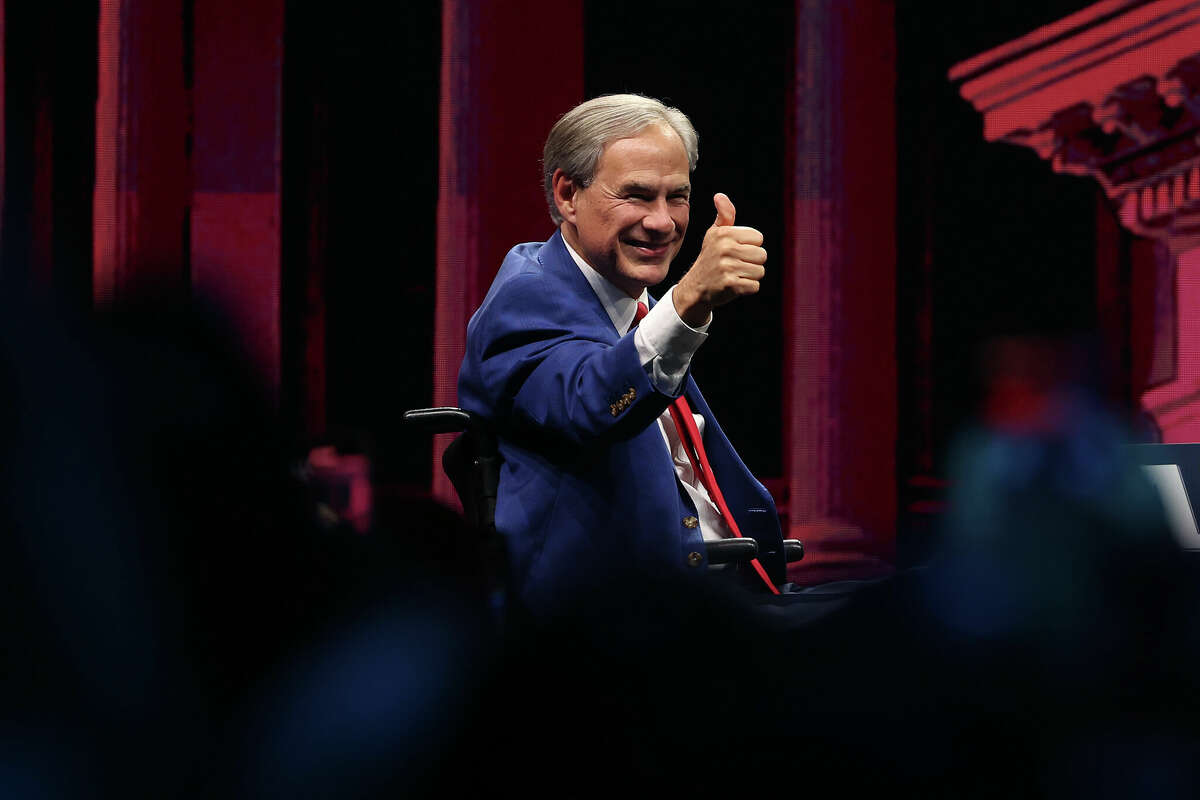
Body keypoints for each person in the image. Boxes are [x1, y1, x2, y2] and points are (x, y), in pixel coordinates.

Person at [457, 93, 785, 618]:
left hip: (727, 599)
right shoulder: (526, 297)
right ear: (567, 194)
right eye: (635, 196)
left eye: (676, 197)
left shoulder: (631, 298)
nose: (661, 222)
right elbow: (591, 403)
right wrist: (687, 300)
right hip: (615, 627)